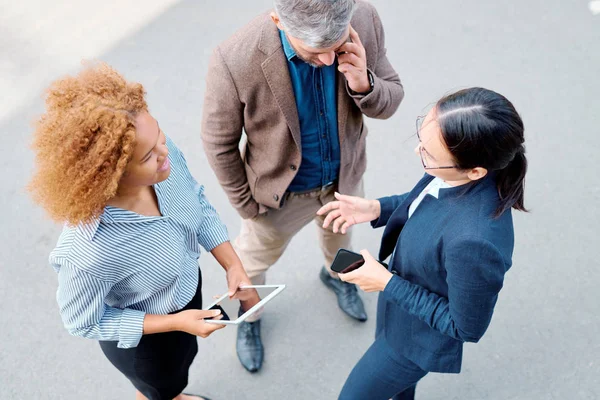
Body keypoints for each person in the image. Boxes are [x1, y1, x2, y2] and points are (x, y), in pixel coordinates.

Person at [28, 63, 253, 400]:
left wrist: (232, 264)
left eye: (160, 136)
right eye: (149, 155)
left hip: (187, 304)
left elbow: (198, 202)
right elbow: (82, 322)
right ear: (109, 174)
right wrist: (175, 324)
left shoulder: (161, 155)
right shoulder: (88, 252)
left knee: (181, 366)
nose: (165, 154)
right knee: (161, 385)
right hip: (148, 343)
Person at [201, 0, 403, 372]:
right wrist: (246, 204)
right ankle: (248, 317)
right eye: (314, 52)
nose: (329, 62)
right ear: (278, 20)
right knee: (248, 265)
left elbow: (391, 98)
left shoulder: (364, 18)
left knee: (339, 242)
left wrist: (364, 84)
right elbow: (218, 142)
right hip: (279, 197)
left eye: (337, 46)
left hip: (344, 181)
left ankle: (336, 277)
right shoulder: (234, 58)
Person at [318, 87, 528, 399]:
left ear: (475, 171)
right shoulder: (459, 171)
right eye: (422, 134)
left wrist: (387, 282)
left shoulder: (476, 243)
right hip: (398, 311)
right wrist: (377, 208)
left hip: (414, 341)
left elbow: (465, 327)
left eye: (429, 153)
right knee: (401, 392)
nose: (418, 151)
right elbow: (431, 200)